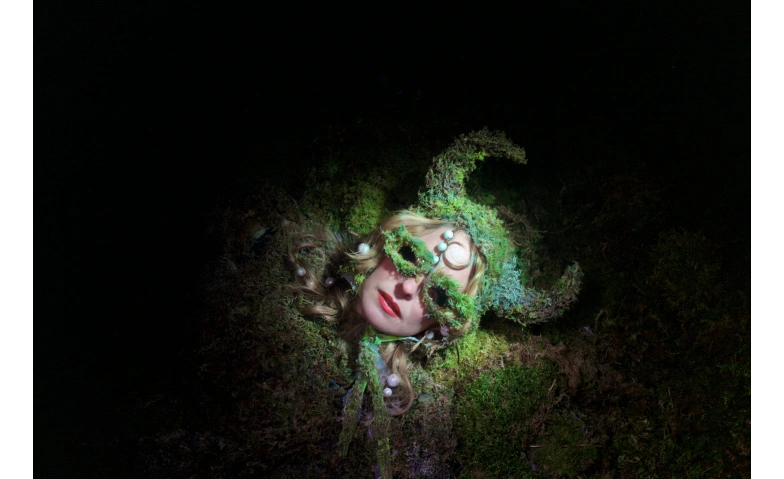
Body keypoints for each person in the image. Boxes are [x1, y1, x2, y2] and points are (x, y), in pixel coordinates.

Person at [288, 129, 582, 478]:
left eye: (440, 296)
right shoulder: (292, 261)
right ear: (386, 243)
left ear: (443, 327)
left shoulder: (417, 422)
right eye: (410, 255)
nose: (407, 288)